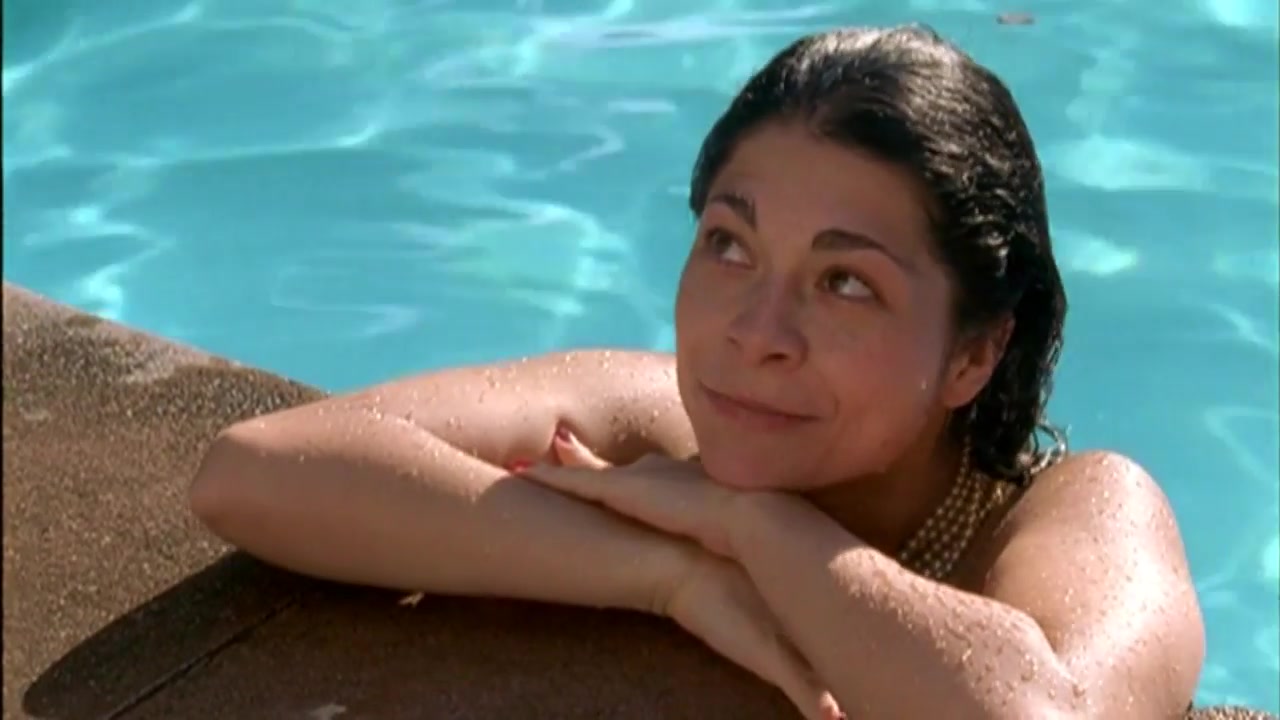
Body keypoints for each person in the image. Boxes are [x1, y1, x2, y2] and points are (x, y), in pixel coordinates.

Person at [188, 24, 1205, 719]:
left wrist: (751, 525)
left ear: (975, 352)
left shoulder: (1083, 509)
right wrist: (670, 574)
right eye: (729, 243)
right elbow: (254, 474)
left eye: (845, 283)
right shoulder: (658, 416)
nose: (757, 332)